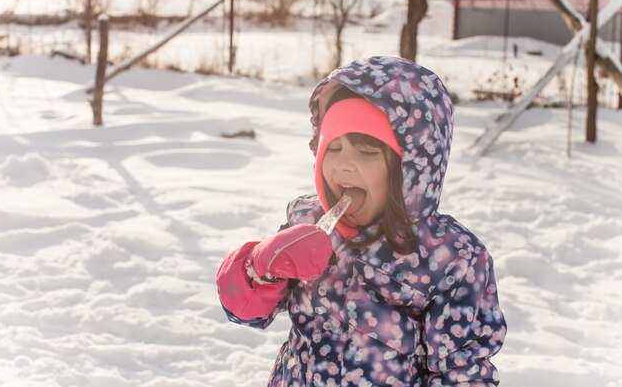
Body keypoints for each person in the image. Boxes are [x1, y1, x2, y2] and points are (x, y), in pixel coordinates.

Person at [216, 56, 507, 387]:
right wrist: (261, 267)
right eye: (334, 147)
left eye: (366, 151)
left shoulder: (450, 259)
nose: (343, 166)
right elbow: (247, 311)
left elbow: (463, 373)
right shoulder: (308, 222)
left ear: (411, 166)